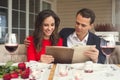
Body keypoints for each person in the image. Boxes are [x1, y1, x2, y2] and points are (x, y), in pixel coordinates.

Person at [25, 8, 105, 64]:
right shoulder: (64, 33)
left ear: (91, 26)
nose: (79, 27)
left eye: (83, 25)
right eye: (77, 23)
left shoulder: (97, 40)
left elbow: (102, 60)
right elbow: (47, 38)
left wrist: (96, 59)